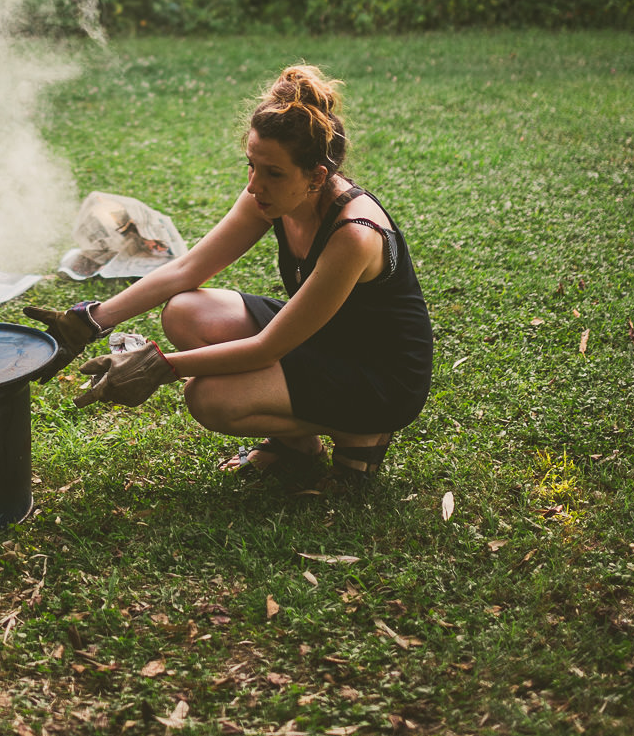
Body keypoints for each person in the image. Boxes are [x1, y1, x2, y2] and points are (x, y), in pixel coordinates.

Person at [25, 65, 433, 481]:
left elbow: (265, 349)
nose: (255, 185)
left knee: (209, 398)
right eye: (251, 166)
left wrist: (159, 366)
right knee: (183, 310)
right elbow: (187, 268)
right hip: (324, 340)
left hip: (380, 375)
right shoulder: (271, 194)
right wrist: (89, 320)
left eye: (273, 173)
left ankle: (361, 431)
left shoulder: (354, 234)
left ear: (317, 178)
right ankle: (298, 446)